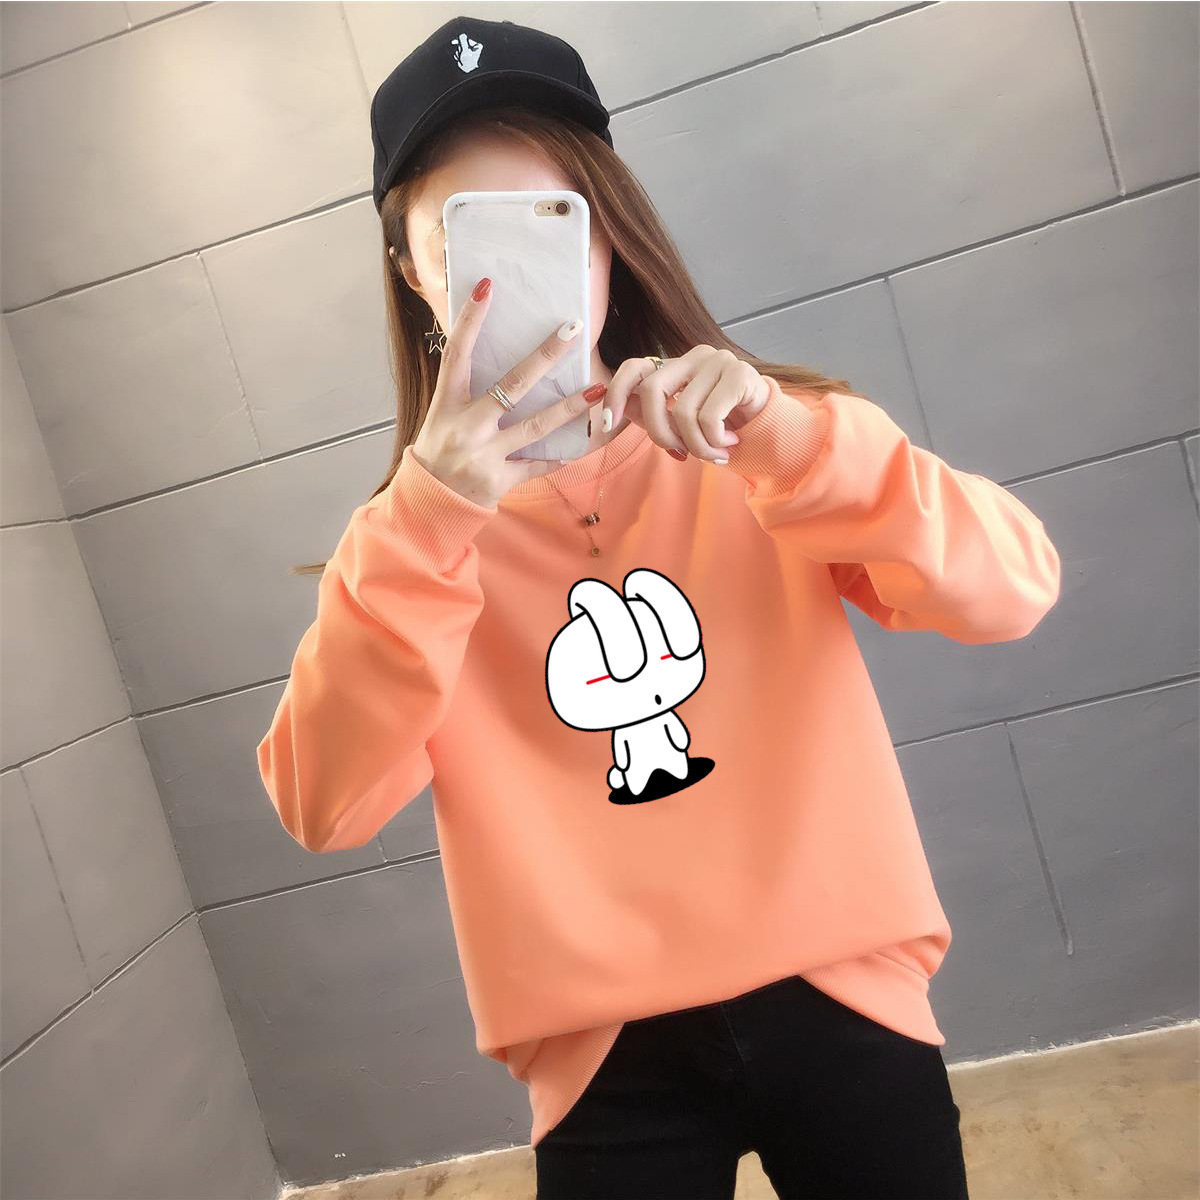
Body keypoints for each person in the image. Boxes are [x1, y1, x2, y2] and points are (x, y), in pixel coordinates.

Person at [256, 15, 1062, 1199]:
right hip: (603, 1063)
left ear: (608, 237)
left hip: (846, 995)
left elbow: (1015, 588)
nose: (515, 273)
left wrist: (792, 443)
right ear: (416, 272)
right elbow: (322, 806)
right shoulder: (407, 550)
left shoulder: (766, 447)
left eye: (553, 222)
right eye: (466, 238)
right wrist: (426, 523)